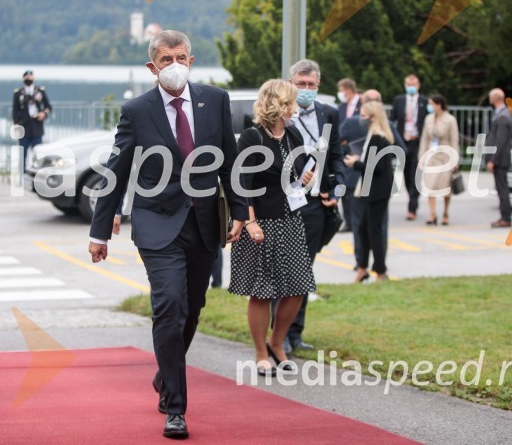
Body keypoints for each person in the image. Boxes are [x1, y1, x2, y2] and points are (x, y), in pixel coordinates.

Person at [87, 30, 248, 440]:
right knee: (170, 305)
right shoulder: (137, 110)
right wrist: (100, 231)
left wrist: (241, 212)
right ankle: (175, 407)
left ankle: (166, 374)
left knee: (192, 309)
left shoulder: (215, 100)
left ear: (191, 61)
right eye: (165, 59)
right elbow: (117, 170)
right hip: (157, 223)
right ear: (151, 67)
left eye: (180, 57)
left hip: (205, 223)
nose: (173, 65)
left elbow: (229, 162)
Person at [229, 79, 316, 377]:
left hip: (290, 221)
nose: (295, 108)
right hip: (260, 222)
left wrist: (303, 179)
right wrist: (250, 221)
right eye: (290, 103)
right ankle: (260, 351)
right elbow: (242, 183)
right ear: (277, 105)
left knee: (297, 288)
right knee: (262, 291)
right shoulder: (252, 137)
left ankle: (277, 343)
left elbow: (297, 172)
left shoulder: (292, 134)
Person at [281, 59, 345, 354]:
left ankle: (295, 332)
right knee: (284, 269)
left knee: (304, 270)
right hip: (286, 203)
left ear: (318, 86)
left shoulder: (329, 113)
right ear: (291, 83)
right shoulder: (281, 113)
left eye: (311, 85)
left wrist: (338, 189)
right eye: (300, 84)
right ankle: (277, 334)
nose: (305, 90)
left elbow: (336, 157)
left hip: (317, 204)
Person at [340, 90, 405, 279]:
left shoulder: (378, 137)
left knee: (374, 230)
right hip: (372, 187)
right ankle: (363, 268)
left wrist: (356, 163)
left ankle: (379, 270)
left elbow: (375, 168)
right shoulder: (376, 135)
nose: (361, 119)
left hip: (377, 188)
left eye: (364, 116)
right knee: (364, 228)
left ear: (374, 117)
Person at [389, 73, 428, 221]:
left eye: (413, 84)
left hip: (417, 141)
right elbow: (393, 119)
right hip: (402, 141)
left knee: (415, 174)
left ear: (418, 85)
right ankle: (411, 198)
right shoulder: (399, 100)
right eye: (408, 84)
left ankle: (413, 206)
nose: (411, 87)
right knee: (406, 174)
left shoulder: (424, 101)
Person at [418, 95, 459, 226]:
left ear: (439, 105)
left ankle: (445, 213)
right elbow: (425, 139)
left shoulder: (450, 120)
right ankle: (432, 214)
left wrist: (455, 158)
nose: (429, 106)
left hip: (446, 156)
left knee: (446, 188)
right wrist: (422, 157)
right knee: (430, 186)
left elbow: (455, 140)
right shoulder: (428, 118)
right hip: (432, 156)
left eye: (431, 104)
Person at [485, 88, 512, 228]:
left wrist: (493, 160)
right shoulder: (502, 114)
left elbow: (500, 141)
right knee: (501, 188)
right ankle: (504, 216)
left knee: (502, 189)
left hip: (501, 159)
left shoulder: (502, 116)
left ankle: (506, 217)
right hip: (501, 158)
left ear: (494, 99)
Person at [13, 70, 51, 171]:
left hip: (37, 127)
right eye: (27, 77)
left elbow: (48, 107)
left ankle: (36, 174)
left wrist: (44, 113)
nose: (29, 78)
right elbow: (15, 111)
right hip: (24, 127)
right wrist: (16, 127)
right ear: (24, 78)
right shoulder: (18, 93)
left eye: (30, 77)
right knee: (23, 154)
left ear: (33, 78)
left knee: (37, 154)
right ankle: (22, 175)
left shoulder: (40, 91)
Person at [336, 78, 361, 231]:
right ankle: (349, 222)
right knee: (344, 187)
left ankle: (359, 221)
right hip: (344, 152)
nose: (340, 94)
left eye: (341, 90)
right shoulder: (341, 107)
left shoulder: (363, 104)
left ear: (348, 90)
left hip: (360, 151)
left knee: (358, 188)